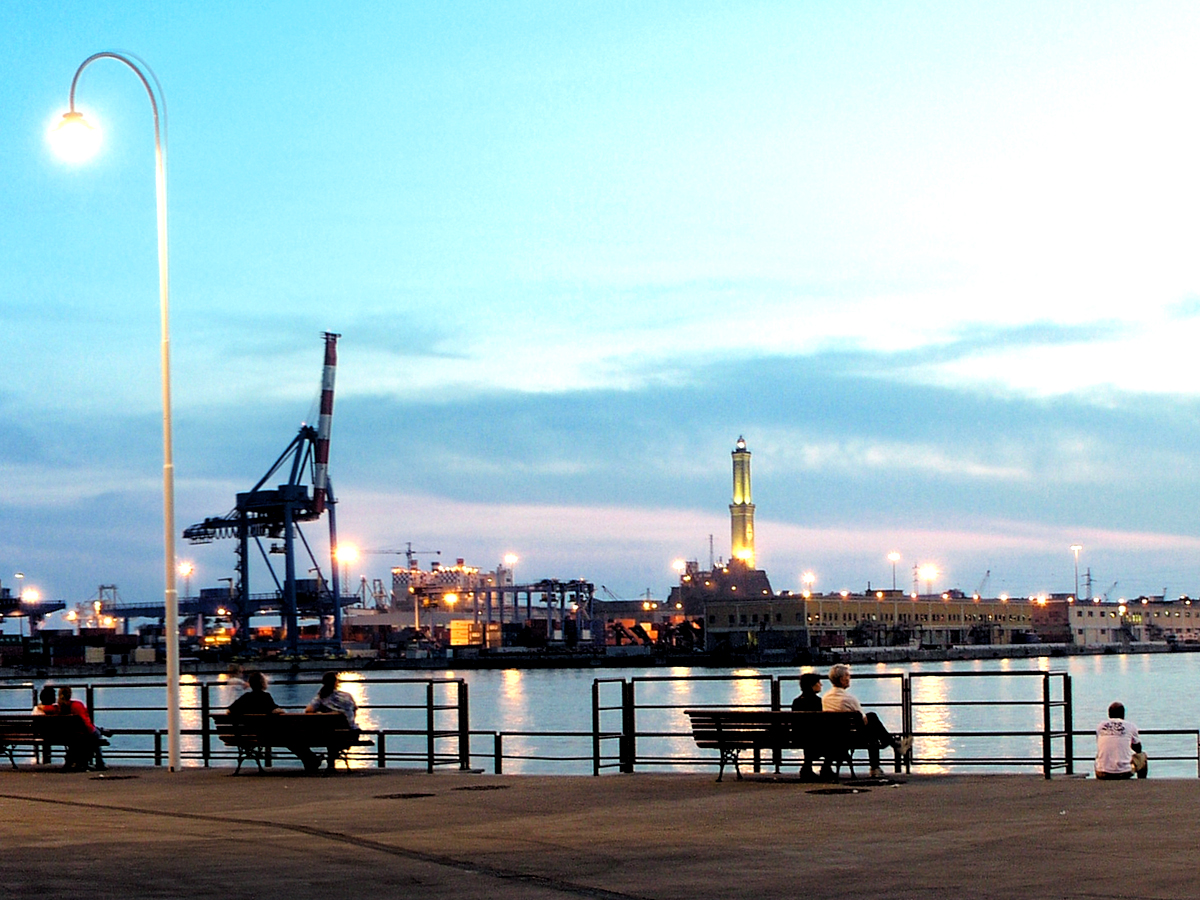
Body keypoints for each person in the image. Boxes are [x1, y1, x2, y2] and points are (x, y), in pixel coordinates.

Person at [822, 663, 912, 779]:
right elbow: (864, 720)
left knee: (872, 721)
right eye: (847, 675)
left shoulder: (825, 698)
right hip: (853, 737)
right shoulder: (849, 699)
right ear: (842, 679)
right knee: (872, 720)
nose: (849, 678)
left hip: (833, 737)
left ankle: (894, 745)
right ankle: (891, 748)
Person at [229, 670, 321, 772]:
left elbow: (229, 711)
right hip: (268, 735)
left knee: (290, 737)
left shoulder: (245, 698)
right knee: (291, 736)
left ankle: (310, 760)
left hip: (252, 735)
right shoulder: (265, 697)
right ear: (262, 683)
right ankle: (311, 759)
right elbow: (276, 710)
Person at [305, 671, 359, 770]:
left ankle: (330, 761)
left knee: (331, 732)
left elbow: (308, 711)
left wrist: (322, 712)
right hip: (350, 734)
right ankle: (332, 759)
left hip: (329, 735)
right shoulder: (347, 696)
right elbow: (354, 711)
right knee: (335, 733)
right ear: (336, 682)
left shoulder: (321, 697)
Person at [56, 686, 106, 771]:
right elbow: (85, 723)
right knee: (97, 736)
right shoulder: (77, 705)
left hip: (67, 735)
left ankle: (76, 762)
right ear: (70, 694)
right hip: (82, 734)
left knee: (95, 733)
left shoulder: (58, 707)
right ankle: (100, 762)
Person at [1095, 701, 1148, 780]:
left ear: (1109, 714)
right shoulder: (1130, 726)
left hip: (1102, 773)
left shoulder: (1100, 726)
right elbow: (1138, 749)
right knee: (1142, 756)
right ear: (1123, 714)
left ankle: (1101, 775)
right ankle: (1142, 781)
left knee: (1099, 755)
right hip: (1123, 773)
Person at [791, 672, 827, 780]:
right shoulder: (819, 702)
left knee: (808, 734)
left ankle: (807, 767)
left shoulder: (796, 702)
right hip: (816, 737)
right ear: (812, 685)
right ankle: (825, 768)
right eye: (818, 682)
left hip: (798, 737)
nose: (821, 685)